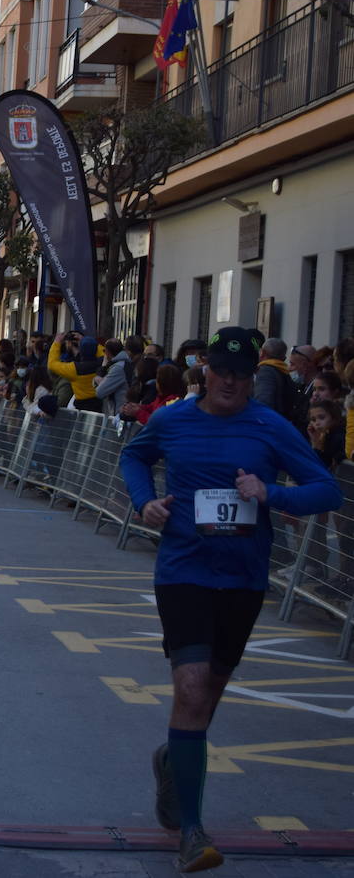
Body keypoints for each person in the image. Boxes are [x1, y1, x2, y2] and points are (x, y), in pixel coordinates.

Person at [119, 327, 342, 873]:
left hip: (242, 578)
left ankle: (174, 759)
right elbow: (133, 457)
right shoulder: (172, 420)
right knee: (192, 691)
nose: (232, 383)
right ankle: (192, 831)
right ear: (206, 371)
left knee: (210, 692)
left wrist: (274, 494)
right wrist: (145, 502)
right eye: (222, 372)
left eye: (242, 375)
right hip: (184, 571)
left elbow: (328, 488)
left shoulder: (270, 427)